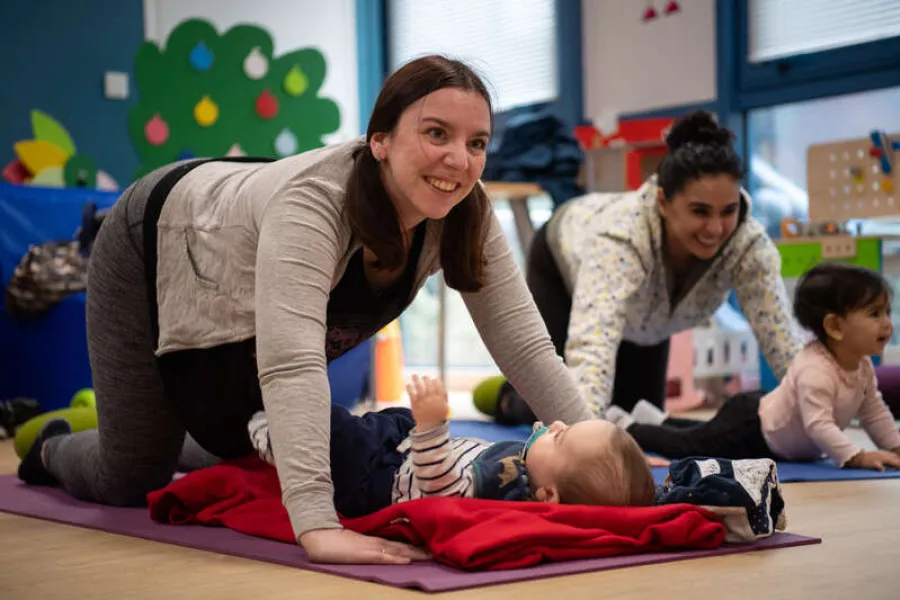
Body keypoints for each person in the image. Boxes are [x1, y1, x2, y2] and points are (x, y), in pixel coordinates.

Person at [15, 55, 595, 565]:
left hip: (234, 244)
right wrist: (318, 525)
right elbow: (293, 365)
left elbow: (526, 346)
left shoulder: (466, 212)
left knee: (238, 444)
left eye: (475, 143)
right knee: (131, 476)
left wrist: (604, 456)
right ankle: (57, 440)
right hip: (153, 236)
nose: (457, 160)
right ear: (381, 140)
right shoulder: (316, 204)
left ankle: (148, 425)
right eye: (436, 133)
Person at [499, 110, 806, 423]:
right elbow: (592, 342)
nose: (715, 228)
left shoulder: (749, 245)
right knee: (555, 404)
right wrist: (586, 438)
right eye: (700, 211)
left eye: (728, 210)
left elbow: (779, 335)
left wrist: (817, 408)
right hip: (560, 255)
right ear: (663, 202)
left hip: (649, 318)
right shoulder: (620, 239)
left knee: (640, 416)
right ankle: (507, 400)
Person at [606, 263, 900, 471]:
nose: (887, 322)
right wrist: (856, 456)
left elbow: (874, 411)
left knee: (702, 431)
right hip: (751, 432)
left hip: (760, 415)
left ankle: (655, 416)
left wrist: (895, 447)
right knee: (689, 445)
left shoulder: (860, 367)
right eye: (875, 313)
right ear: (835, 326)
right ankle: (629, 425)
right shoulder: (816, 370)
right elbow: (818, 424)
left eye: (887, 311)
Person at [248, 375, 656, 514]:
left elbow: (441, 488)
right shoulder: (536, 469)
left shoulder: (504, 489)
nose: (558, 424)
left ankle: (267, 432)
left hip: (378, 479)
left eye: (561, 436)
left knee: (332, 431)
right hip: (402, 450)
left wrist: (430, 428)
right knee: (387, 418)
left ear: (548, 494)